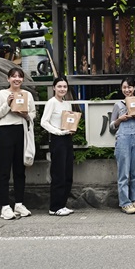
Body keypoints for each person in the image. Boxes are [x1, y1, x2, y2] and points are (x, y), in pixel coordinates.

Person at [0, 67, 36, 220]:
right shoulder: (1, 94)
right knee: (4, 170)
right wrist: (7, 105)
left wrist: (24, 114)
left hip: (21, 131)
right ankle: (4, 206)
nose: (17, 79)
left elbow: (33, 114)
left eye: (20, 77)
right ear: (8, 79)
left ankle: (19, 203)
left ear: (23, 79)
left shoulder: (27, 94)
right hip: (5, 132)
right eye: (13, 76)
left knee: (19, 170)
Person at [110, 77, 135, 214]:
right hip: (123, 138)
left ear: (134, 88)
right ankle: (125, 202)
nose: (127, 90)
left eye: (130, 87)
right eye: (125, 87)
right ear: (121, 89)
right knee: (124, 172)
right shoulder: (118, 105)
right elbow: (111, 127)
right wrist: (120, 119)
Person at [40, 76, 76, 217]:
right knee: (58, 174)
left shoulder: (67, 104)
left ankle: (62, 204)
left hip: (67, 138)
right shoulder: (51, 102)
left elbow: (69, 121)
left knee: (68, 174)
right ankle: (54, 207)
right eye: (59, 86)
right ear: (54, 88)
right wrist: (57, 132)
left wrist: (71, 129)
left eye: (64, 87)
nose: (62, 89)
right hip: (57, 140)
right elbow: (44, 122)